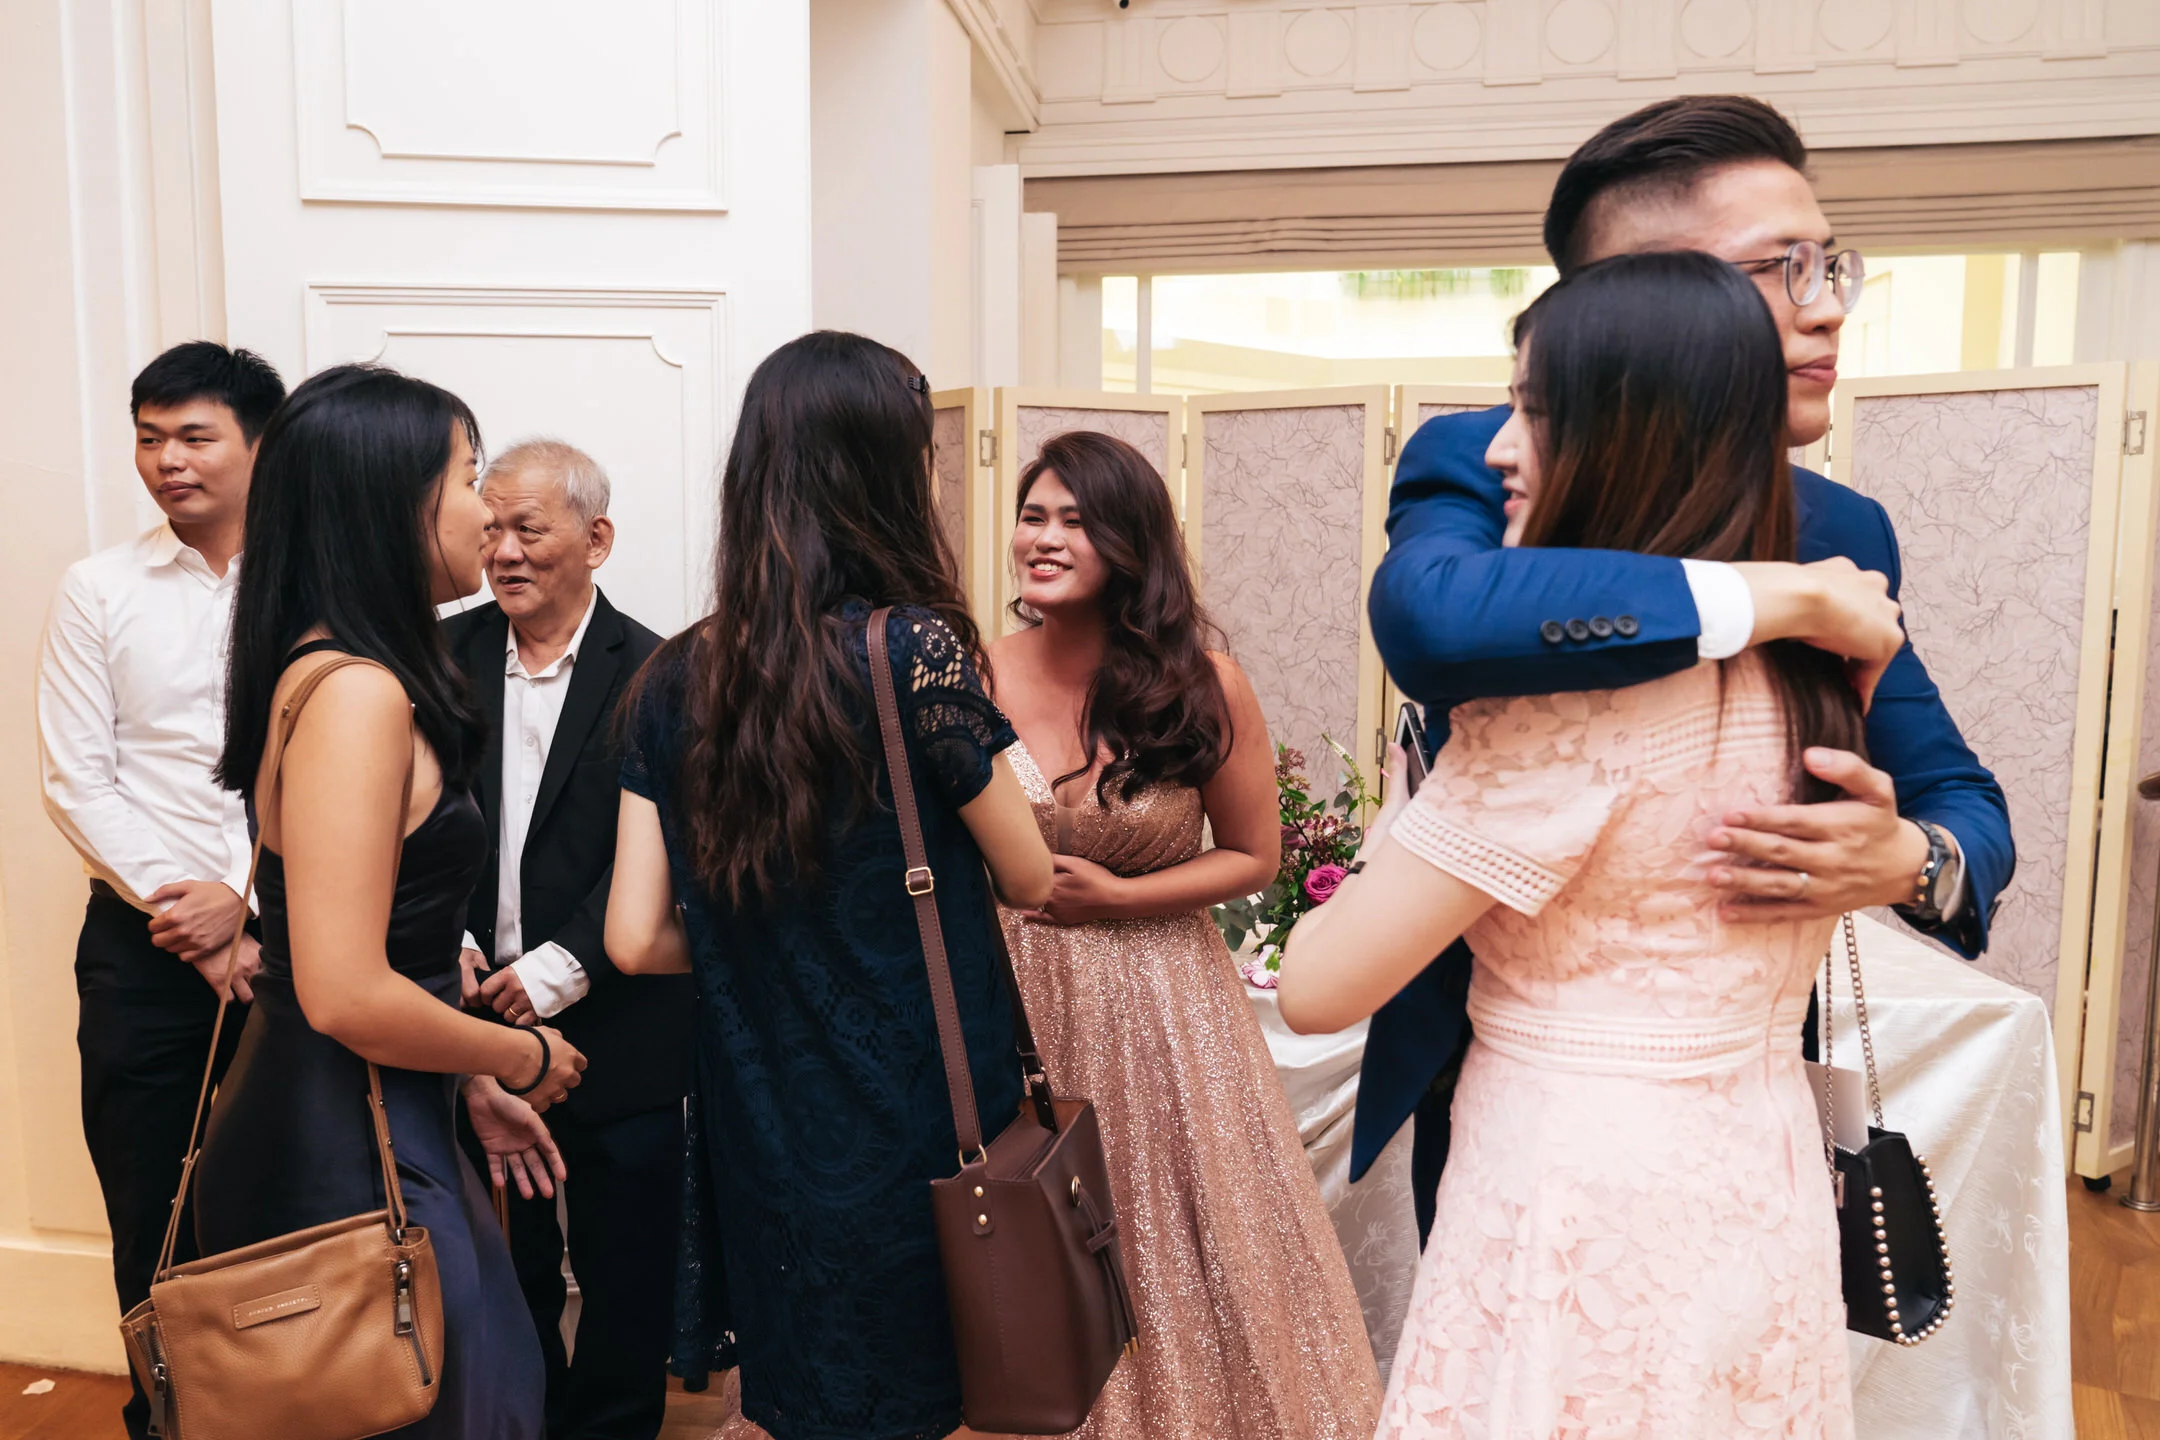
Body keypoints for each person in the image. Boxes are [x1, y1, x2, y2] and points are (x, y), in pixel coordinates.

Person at [1357, 94, 2015, 1239]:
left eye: (1832, 266)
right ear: (1645, 295)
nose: (1829, 308)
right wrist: (1775, 595)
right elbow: (1435, 620)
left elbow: (1963, 799)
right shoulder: (1490, 458)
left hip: (1734, 1098)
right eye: (1785, 268)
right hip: (1509, 1076)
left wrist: (1910, 859)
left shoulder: (1839, 523)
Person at [1281, 250, 1860, 1436]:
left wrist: (1418, 792)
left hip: (1580, 1205)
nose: (1499, 449)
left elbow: (1317, 987)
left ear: (1631, 435)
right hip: (1762, 1180)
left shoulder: (1559, 715)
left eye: (1534, 413)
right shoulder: (1812, 674)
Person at [606, 331, 1055, 1440]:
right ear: (883, 474)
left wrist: (760, 943)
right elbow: (1029, 873)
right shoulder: (915, 652)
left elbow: (632, 939)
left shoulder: (669, 677)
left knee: (807, 1392)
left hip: (765, 1119)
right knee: (937, 1390)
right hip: (919, 1113)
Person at [195, 364, 586, 1439]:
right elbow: (344, 990)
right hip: (341, 1144)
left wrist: (467, 1081)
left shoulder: (340, 669)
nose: (485, 509)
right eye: (465, 476)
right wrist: (521, 1055)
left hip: (378, 1114)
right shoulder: (358, 694)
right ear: (389, 501)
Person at [986, 429, 1382, 1438]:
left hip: (1165, 1004)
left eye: (1075, 521)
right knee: (1020, 1224)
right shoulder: (970, 674)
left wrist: (1119, 900)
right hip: (1010, 998)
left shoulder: (1203, 682)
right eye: (1033, 516)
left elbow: (1253, 856)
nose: (1044, 538)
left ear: (1130, 542)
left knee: (1169, 1222)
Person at [37, 341, 286, 1440]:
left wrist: (248, 899)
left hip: (296, 937)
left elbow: (345, 765)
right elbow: (76, 779)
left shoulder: (314, 580)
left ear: (259, 445)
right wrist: (198, 916)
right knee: (152, 1208)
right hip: (141, 948)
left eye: (194, 436)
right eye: (149, 438)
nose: (167, 461)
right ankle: (172, 1423)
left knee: (293, 1201)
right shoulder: (98, 588)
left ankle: (304, 1408)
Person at [442, 439, 680, 1440]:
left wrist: (560, 968)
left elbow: (678, 849)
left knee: (628, 1270)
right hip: (467, 1021)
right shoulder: (437, 657)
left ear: (596, 539)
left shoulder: (662, 672)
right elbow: (409, 825)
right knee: (505, 1265)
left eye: (528, 528)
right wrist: (453, 943)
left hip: (621, 1018)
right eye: (489, 526)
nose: (502, 551)